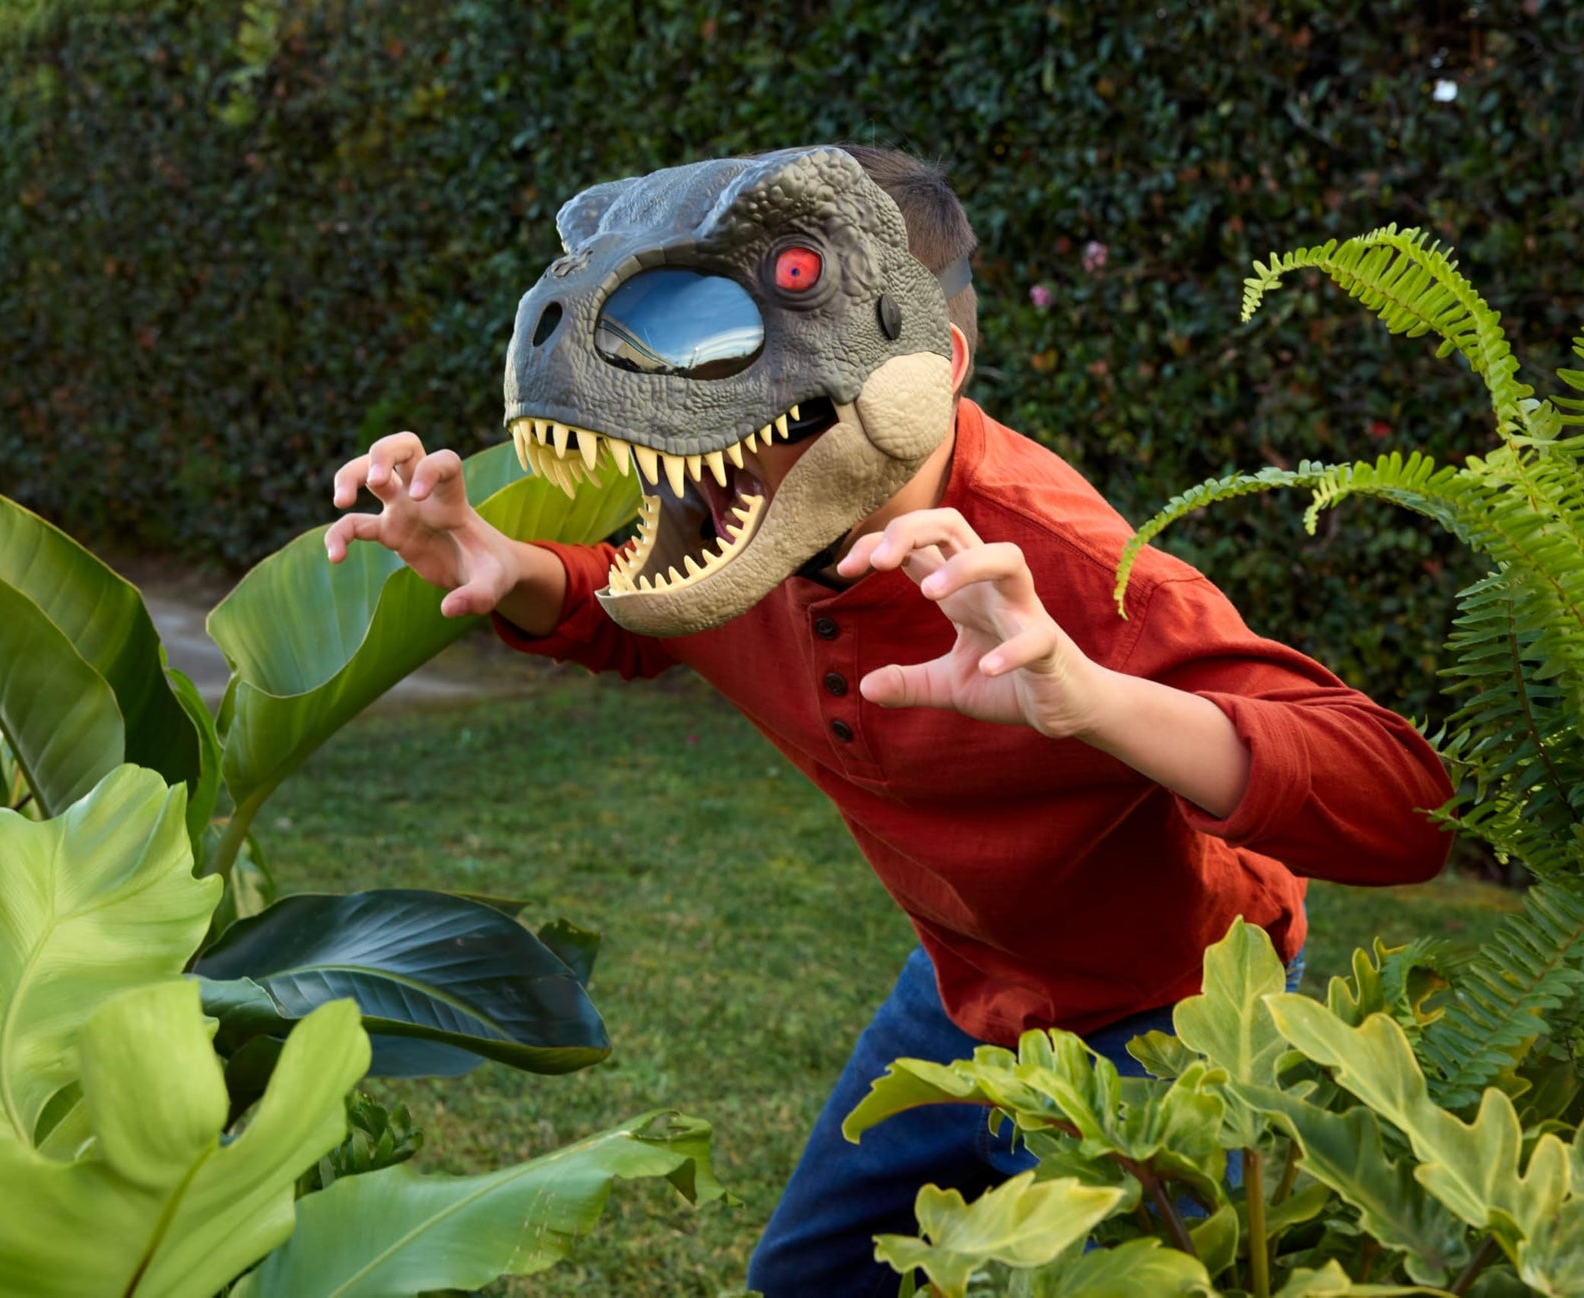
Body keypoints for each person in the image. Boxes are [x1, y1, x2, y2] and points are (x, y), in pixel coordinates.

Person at [326, 146, 1453, 1297]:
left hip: (1168, 1007)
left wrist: (1088, 697)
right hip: (960, 983)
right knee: (804, 1278)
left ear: (936, 364)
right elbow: (645, 613)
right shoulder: (740, 510)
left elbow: (1405, 802)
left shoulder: (1065, 566)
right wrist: (507, 565)